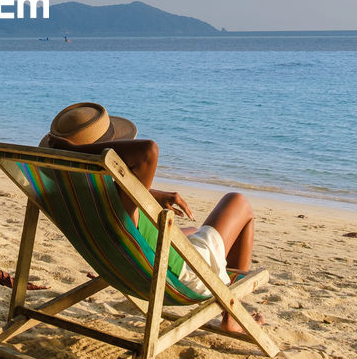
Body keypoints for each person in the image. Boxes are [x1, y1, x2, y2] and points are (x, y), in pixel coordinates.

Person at [39, 102, 259, 332]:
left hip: (122, 266)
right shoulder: (118, 206)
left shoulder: (69, 194)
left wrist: (149, 194)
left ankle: (230, 308)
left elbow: (112, 189)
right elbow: (148, 151)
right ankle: (232, 315)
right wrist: (72, 152)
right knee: (238, 202)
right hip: (180, 276)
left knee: (191, 232)